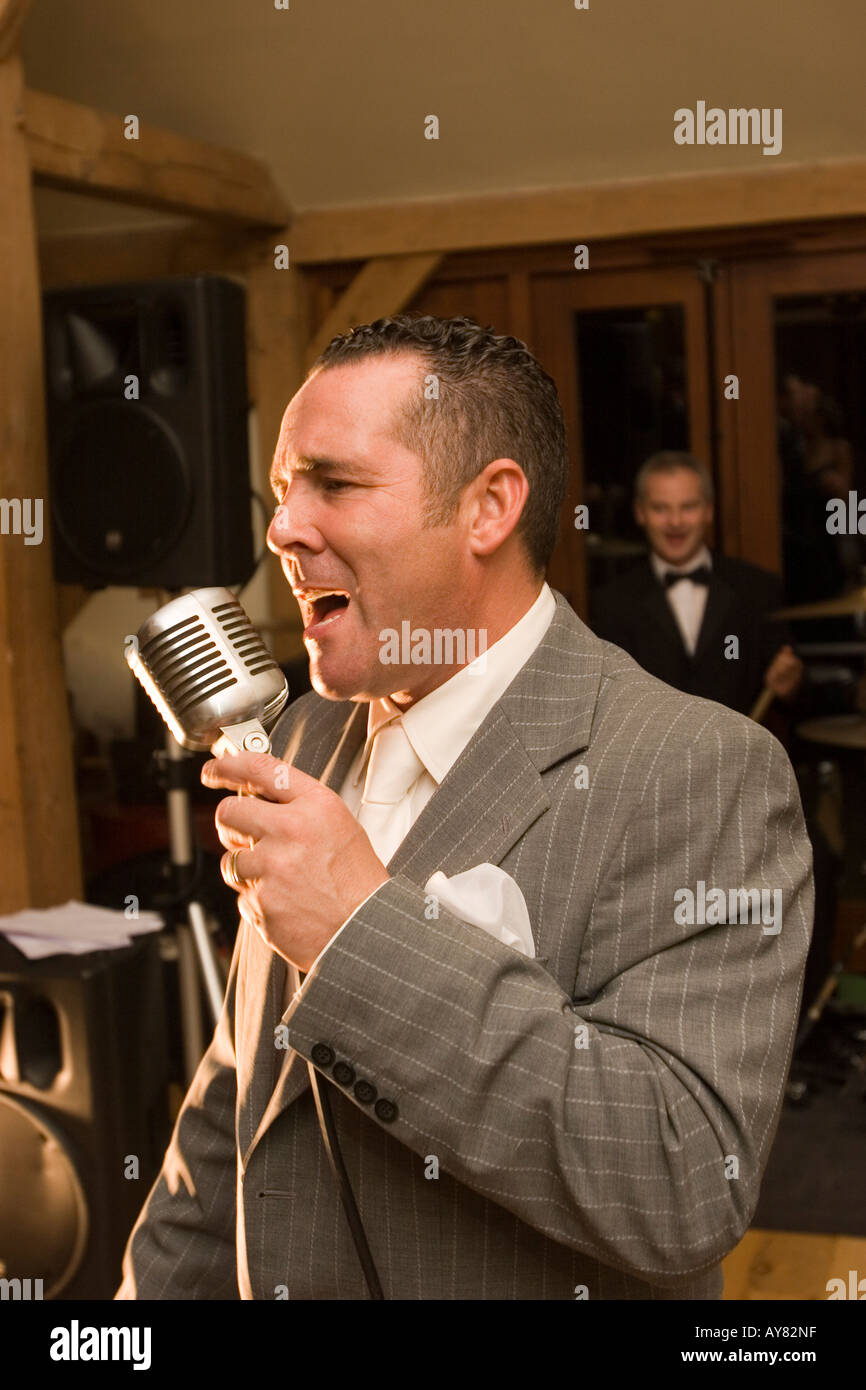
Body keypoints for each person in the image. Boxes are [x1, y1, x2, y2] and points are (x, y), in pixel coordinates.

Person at [116, 316, 813, 1301]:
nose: (280, 530)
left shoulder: (698, 768)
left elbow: (685, 1180)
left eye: (334, 483)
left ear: (487, 507)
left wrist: (361, 930)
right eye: (281, 493)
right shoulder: (304, 738)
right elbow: (237, 1110)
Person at [591, 451, 804, 716]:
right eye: (660, 508)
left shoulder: (758, 589)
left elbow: (793, 693)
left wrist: (790, 683)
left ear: (709, 511)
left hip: (739, 753)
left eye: (688, 507)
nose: (676, 522)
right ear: (640, 513)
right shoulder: (612, 602)